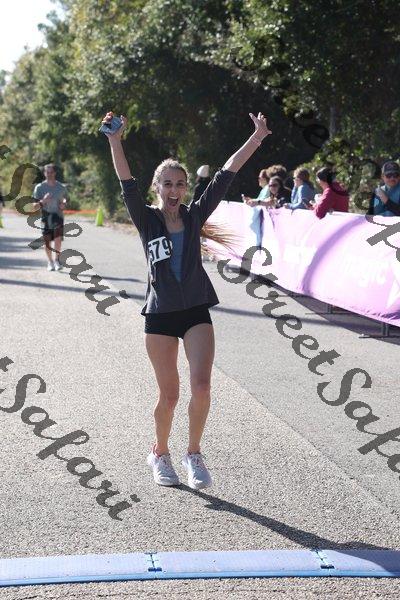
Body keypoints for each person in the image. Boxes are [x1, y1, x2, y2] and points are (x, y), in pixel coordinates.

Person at [102, 110, 272, 490]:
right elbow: (125, 181)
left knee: (202, 387)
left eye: (180, 183)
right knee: (170, 395)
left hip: (195, 310)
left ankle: (193, 453)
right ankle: (160, 453)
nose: (175, 189)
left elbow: (226, 174)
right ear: (157, 188)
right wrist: (115, 140)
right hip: (161, 314)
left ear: (185, 188)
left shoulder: (195, 216)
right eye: (167, 184)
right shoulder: (146, 219)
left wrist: (257, 137)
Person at [32, 164, 69, 271]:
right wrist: (43, 201)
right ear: (44, 173)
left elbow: (66, 200)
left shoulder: (61, 187)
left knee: (58, 239)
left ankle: (57, 260)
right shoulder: (39, 188)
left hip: (58, 216)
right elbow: (34, 207)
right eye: (47, 172)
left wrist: (64, 205)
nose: (49, 174)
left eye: (51, 172)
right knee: (47, 241)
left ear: (55, 173)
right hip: (46, 216)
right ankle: (50, 262)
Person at [242, 169, 270, 246]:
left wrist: (252, 201)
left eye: (259, 178)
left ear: (265, 179)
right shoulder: (264, 189)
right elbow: (259, 201)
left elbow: (261, 202)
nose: (258, 180)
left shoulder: (267, 188)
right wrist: (250, 200)